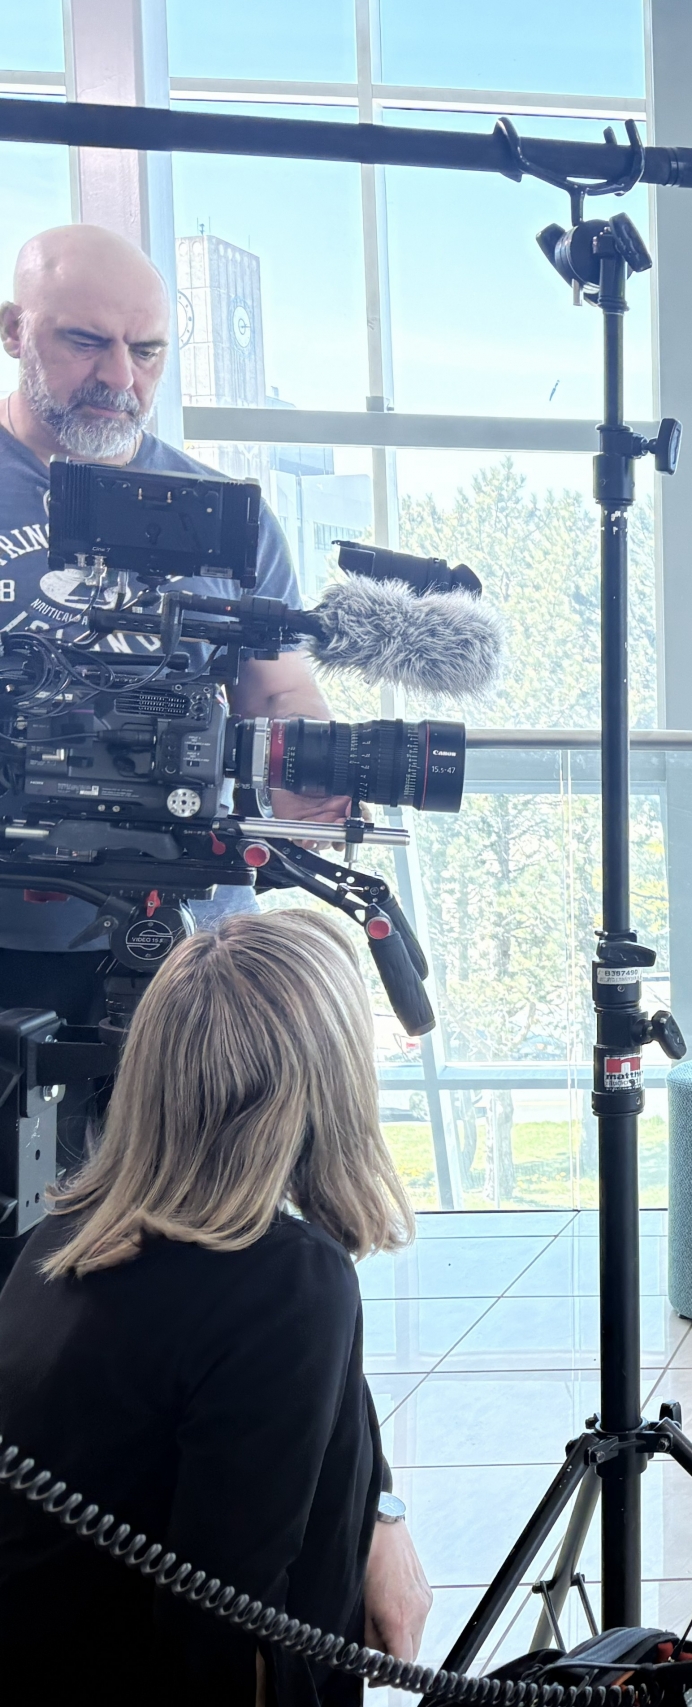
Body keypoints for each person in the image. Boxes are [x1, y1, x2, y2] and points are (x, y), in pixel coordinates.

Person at [0, 224, 352, 1247]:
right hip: (13, 947)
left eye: (146, 351)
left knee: (196, 1252)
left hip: (185, 948)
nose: (118, 377)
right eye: (84, 342)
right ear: (16, 330)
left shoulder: (218, 515)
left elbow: (279, 688)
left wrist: (313, 774)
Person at [0, 910, 433, 1706]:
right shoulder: (287, 1281)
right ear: (330, 1079)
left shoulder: (63, 1228)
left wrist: (381, 1511)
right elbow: (224, 1636)